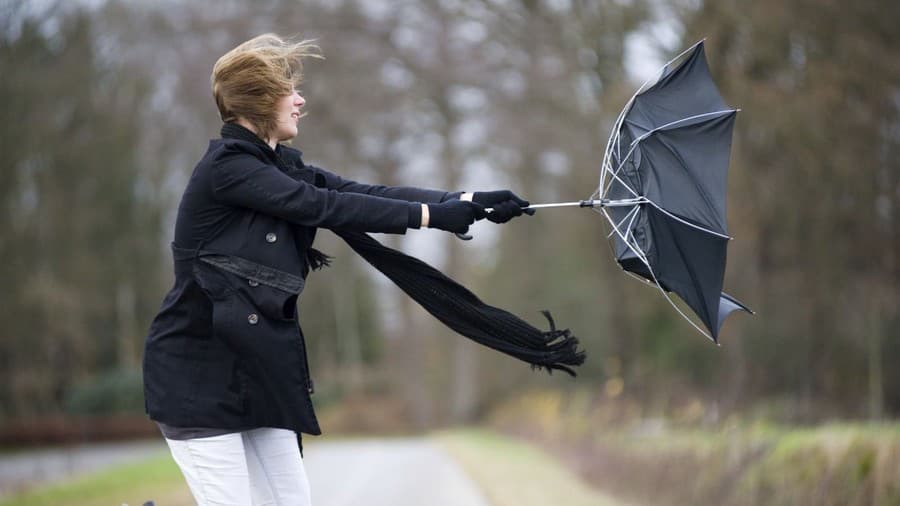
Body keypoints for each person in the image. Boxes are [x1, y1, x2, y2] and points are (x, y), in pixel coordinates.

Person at [141, 33, 531, 505]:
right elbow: (322, 205)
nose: (300, 100)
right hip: (197, 378)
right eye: (290, 90)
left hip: (257, 373)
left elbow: (362, 192)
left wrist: (464, 202)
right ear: (261, 101)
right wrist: (431, 218)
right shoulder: (228, 170)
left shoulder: (277, 165)